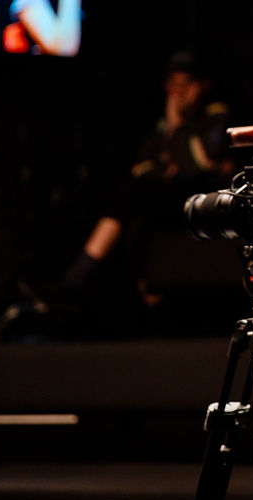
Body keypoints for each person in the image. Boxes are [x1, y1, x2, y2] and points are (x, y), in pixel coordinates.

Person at [58, 51, 234, 330]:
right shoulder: (164, 125)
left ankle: (80, 273)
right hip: (164, 202)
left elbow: (201, 165)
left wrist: (178, 129)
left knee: (134, 196)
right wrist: (169, 161)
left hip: (203, 202)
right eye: (173, 86)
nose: (179, 93)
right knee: (133, 201)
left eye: (186, 85)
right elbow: (143, 167)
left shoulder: (215, 117)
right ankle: (130, 291)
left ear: (202, 86)